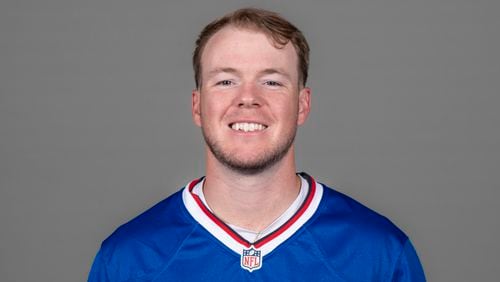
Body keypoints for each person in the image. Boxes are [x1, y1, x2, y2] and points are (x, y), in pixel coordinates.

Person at [88, 8, 426, 281]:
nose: (248, 98)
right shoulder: (128, 259)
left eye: (271, 81)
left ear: (302, 105)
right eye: (225, 81)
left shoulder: (379, 254)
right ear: (197, 106)